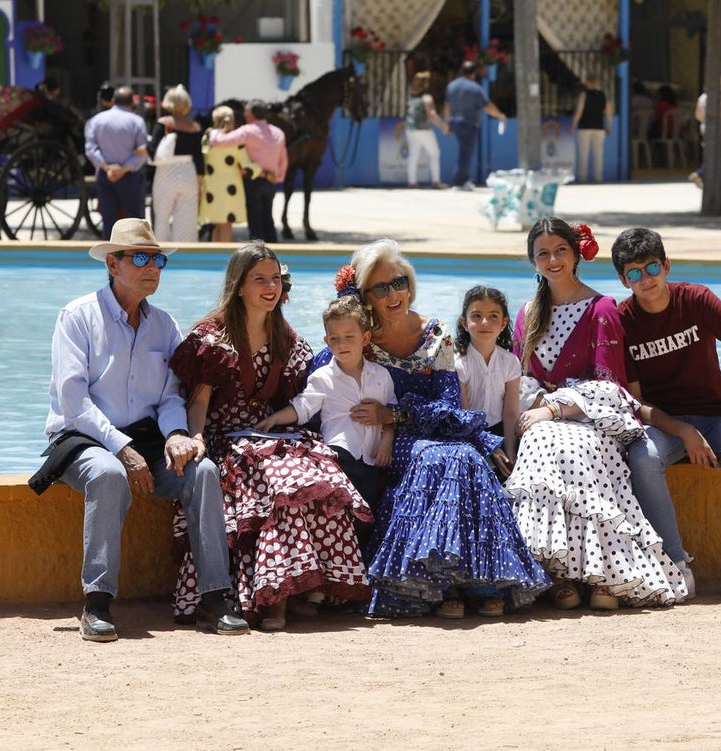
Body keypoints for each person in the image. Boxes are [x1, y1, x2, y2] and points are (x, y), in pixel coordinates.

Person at [42, 217, 248, 641]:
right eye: (140, 258)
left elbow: (172, 396)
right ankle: (97, 603)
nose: (152, 267)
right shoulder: (77, 316)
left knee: (204, 472)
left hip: (146, 438)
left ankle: (214, 599)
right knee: (108, 473)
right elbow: (73, 403)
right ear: (113, 265)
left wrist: (176, 435)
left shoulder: (165, 324)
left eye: (157, 259)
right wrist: (120, 447)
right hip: (81, 437)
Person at [322, 240, 550, 618]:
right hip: (388, 442)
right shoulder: (356, 338)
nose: (393, 294)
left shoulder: (435, 334)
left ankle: (472, 578)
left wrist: (394, 414)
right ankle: (441, 582)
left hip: (431, 430)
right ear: (364, 297)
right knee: (437, 459)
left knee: (464, 457)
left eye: (398, 282)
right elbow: (322, 378)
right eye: (380, 289)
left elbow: (446, 406)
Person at [168, 243, 372, 631]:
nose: (270, 286)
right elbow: (199, 403)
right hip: (227, 439)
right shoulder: (211, 337)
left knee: (317, 472)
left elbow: (302, 400)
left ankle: (307, 587)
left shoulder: (287, 338)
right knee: (276, 478)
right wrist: (195, 439)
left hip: (273, 435)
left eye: (275, 278)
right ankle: (274, 598)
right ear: (239, 285)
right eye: (259, 279)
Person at [506, 218, 688, 610]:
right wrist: (541, 409)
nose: (553, 259)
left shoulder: (602, 308)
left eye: (560, 251)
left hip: (594, 419)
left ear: (575, 254)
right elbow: (518, 379)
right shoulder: (525, 315)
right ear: (533, 261)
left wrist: (558, 407)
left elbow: (611, 385)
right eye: (543, 253)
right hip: (540, 419)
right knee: (541, 439)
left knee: (571, 445)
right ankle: (556, 573)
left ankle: (604, 572)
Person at [613, 227, 721, 600]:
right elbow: (636, 404)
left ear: (666, 265)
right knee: (643, 456)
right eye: (634, 274)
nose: (645, 280)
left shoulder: (696, 299)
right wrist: (684, 431)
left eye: (651, 268)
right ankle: (675, 563)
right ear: (624, 279)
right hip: (666, 424)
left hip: (717, 418)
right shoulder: (623, 321)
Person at [256, 294, 396, 510]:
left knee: (368, 510)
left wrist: (386, 441)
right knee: (341, 508)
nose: (342, 344)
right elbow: (302, 407)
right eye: (335, 338)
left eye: (349, 337)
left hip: (372, 457)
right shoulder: (322, 377)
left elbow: (390, 412)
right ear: (326, 341)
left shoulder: (381, 375)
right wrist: (275, 418)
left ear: (365, 338)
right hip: (338, 454)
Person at [454, 285, 520, 470]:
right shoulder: (458, 363)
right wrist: (489, 446)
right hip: (469, 433)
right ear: (464, 323)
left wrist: (510, 452)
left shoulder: (510, 362)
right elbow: (465, 415)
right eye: (476, 316)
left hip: (501, 430)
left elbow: (511, 412)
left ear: (504, 323)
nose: (485, 322)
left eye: (493, 316)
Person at [208, 99, 287, 242]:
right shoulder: (278, 133)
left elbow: (220, 141)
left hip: (252, 181)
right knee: (268, 219)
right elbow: (283, 159)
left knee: (255, 221)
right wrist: (278, 177)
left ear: (250, 114)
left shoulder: (248, 131)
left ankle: (258, 257)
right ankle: (274, 256)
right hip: (270, 181)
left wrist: (213, 133)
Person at [84, 86, 149, 239]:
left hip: (106, 175)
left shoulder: (97, 120)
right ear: (131, 103)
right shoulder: (137, 121)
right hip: (129, 176)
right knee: (134, 222)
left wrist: (107, 168)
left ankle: (110, 258)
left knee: (109, 221)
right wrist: (123, 169)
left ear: (113, 100)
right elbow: (142, 152)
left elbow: (90, 149)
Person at [147, 85, 203, 242]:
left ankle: (159, 252)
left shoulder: (164, 123)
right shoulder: (195, 126)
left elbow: (152, 150)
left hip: (166, 170)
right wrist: (200, 182)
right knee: (187, 220)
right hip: (189, 171)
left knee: (162, 218)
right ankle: (185, 255)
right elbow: (199, 158)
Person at [200, 105, 261, 242]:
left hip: (212, 184)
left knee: (216, 223)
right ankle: (224, 259)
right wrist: (259, 169)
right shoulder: (235, 140)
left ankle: (215, 257)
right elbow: (245, 163)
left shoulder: (207, 137)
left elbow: (203, 157)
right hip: (230, 184)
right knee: (227, 224)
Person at [444, 61, 506, 191]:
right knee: (466, 153)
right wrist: (499, 115)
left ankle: (464, 179)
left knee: (464, 152)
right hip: (469, 123)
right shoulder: (475, 88)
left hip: (455, 121)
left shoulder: (451, 86)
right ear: (473, 74)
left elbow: (447, 106)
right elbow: (487, 106)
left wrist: (448, 123)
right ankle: (459, 182)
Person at [404, 71, 449, 188]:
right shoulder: (427, 98)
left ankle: (412, 182)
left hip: (410, 129)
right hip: (423, 129)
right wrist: (442, 126)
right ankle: (436, 182)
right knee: (434, 153)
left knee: (413, 155)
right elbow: (432, 114)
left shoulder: (412, 97)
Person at [569, 73, 613, 183]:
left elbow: (579, 112)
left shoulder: (584, 95)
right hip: (599, 128)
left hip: (584, 128)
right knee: (598, 154)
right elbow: (608, 112)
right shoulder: (603, 95)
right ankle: (598, 179)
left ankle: (582, 180)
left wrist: (573, 125)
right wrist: (608, 126)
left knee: (583, 155)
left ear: (587, 82)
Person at [688, 77, 721, 188]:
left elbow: (698, 115)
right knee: (717, 154)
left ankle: (710, 177)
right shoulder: (719, 98)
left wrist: (704, 121)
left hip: (704, 128)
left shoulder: (702, 98)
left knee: (709, 152)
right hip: (718, 128)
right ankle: (699, 173)